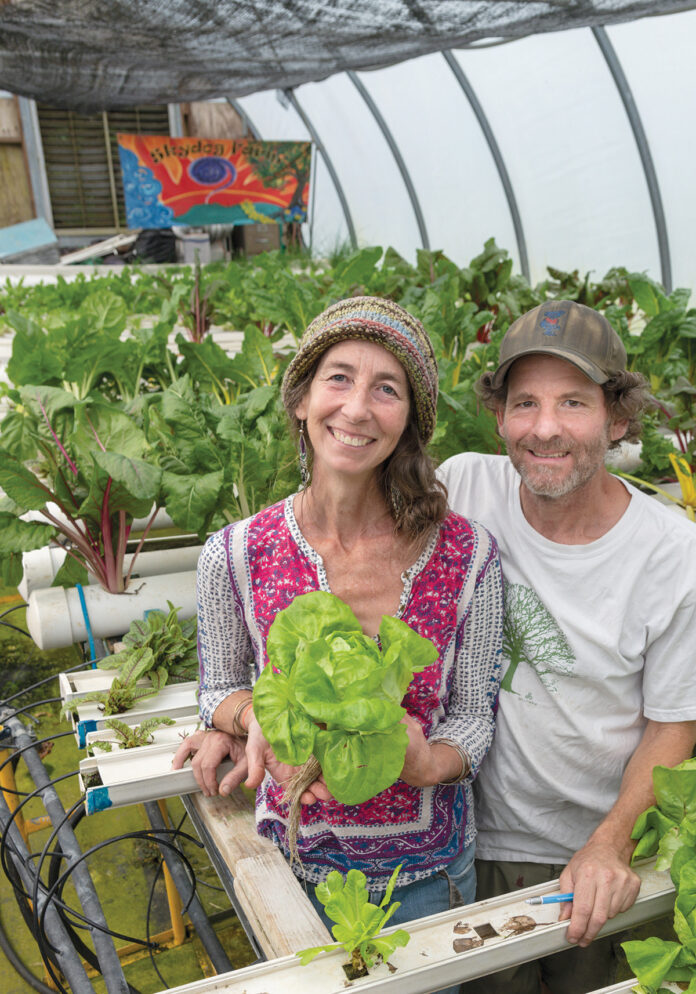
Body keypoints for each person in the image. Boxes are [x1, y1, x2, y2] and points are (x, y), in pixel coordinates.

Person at [173, 297, 503, 956]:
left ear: (408, 421)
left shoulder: (466, 556)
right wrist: (252, 718)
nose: (356, 408)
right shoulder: (236, 552)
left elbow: (473, 717)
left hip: (427, 879)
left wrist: (428, 763)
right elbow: (217, 689)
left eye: (387, 389)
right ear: (301, 399)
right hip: (288, 868)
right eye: (339, 378)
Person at [438, 300, 696, 994]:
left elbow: (674, 724)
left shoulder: (673, 554)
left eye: (573, 403)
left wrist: (609, 844)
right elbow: (348, 543)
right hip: (476, 843)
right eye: (525, 403)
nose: (544, 429)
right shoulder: (463, 487)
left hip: (605, 855)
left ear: (616, 419)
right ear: (499, 417)